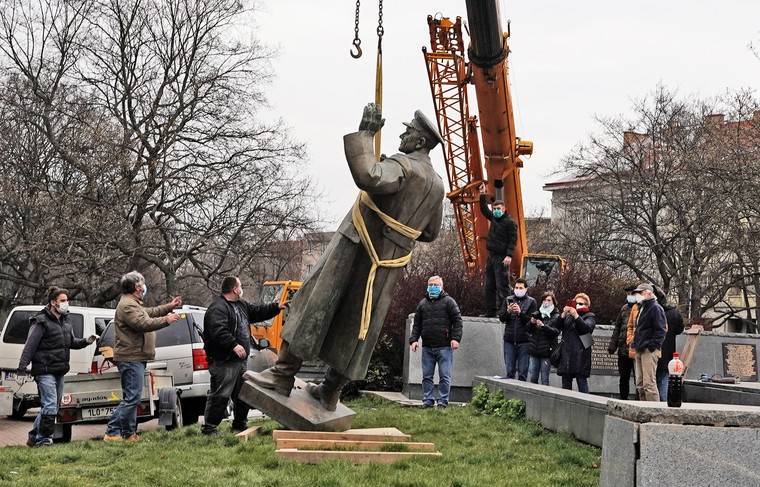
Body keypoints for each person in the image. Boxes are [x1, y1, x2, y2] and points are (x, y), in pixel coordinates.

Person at [247, 103, 446, 413]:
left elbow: (368, 176)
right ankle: (329, 391)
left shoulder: (404, 165)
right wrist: (396, 226)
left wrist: (366, 134)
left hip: (356, 247)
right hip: (388, 265)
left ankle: (282, 374)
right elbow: (431, 232)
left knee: (311, 302)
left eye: (408, 132)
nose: (403, 135)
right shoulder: (436, 185)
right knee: (360, 324)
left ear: (420, 142)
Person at [201, 276, 286, 435]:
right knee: (221, 395)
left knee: (243, 394)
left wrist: (276, 307)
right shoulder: (217, 308)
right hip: (224, 361)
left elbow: (257, 311)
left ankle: (239, 424)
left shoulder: (241, 305)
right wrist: (233, 344)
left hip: (240, 361)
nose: (242, 288)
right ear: (234, 289)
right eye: (240, 285)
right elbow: (218, 331)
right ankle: (209, 428)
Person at [104, 271, 181, 441]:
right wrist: (166, 320)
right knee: (132, 398)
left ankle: (128, 434)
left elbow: (149, 312)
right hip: (131, 358)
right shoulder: (127, 305)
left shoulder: (133, 304)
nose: (143, 287)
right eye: (140, 284)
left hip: (135, 357)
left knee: (131, 397)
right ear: (135, 288)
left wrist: (168, 307)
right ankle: (112, 431)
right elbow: (143, 323)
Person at [17, 287, 96, 447]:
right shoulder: (40, 321)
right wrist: (22, 367)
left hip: (60, 370)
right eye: (63, 300)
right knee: (50, 405)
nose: (66, 303)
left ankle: (33, 436)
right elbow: (30, 346)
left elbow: (71, 342)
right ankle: (44, 440)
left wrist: (86, 341)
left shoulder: (66, 320)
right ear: (53, 302)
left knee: (53, 406)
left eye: (67, 300)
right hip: (44, 370)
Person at [409, 276, 463, 408]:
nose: (433, 287)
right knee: (427, 376)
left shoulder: (449, 302)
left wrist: (455, 339)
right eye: (430, 284)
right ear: (427, 286)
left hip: (444, 346)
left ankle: (442, 402)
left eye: (436, 285)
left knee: (445, 376)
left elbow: (457, 321)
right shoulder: (422, 304)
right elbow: (417, 325)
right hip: (427, 347)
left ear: (442, 287)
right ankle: (428, 400)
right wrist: (414, 340)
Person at [478, 183, 518, 317]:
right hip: (492, 256)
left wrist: (509, 255)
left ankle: (504, 312)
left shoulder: (510, 222)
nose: (495, 211)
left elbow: (513, 240)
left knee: (503, 286)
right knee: (489, 286)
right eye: (494, 208)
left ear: (504, 209)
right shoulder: (494, 218)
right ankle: (491, 311)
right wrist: (483, 195)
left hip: (502, 257)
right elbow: (484, 210)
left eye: (498, 208)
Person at [630, 283, 667, 401]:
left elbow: (661, 330)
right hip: (640, 348)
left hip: (648, 349)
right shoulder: (642, 307)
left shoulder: (655, 308)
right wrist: (635, 343)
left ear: (648, 292)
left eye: (640, 293)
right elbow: (639, 329)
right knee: (640, 384)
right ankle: (643, 408)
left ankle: (654, 411)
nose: (637, 295)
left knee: (649, 383)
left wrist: (652, 346)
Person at [556, 293, 596, 393]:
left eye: (580, 303)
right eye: (575, 303)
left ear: (587, 305)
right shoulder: (568, 317)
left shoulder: (590, 316)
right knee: (566, 384)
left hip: (581, 355)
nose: (577, 305)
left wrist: (576, 316)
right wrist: (563, 314)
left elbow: (586, 329)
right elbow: (557, 327)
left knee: (581, 382)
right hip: (567, 354)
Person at [498, 278, 537, 381]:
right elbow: (502, 318)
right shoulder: (508, 299)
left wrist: (520, 313)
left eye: (521, 288)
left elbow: (531, 321)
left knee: (523, 372)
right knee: (510, 370)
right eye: (516, 287)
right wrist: (508, 311)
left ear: (526, 289)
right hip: (509, 339)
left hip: (524, 340)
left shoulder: (531, 302)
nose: (518, 289)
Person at [607, 285, 638, 399]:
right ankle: (623, 399)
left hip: (635, 350)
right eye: (628, 294)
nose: (630, 296)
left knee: (638, 379)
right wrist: (613, 345)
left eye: (632, 294)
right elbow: (617, 327)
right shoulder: (624, 308)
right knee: (623, 377)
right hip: (623, 350)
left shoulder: (640, 308)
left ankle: (638, 400)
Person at [654, 286, 684, 402]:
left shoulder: (653, 311)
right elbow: (679, 329)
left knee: (654, 381)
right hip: (668, 353)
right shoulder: (674, 313)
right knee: (664, 379)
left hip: (654, 349)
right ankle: (666, 402)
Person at [527, 292, 560, 385]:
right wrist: (531, 322)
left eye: (549, 300)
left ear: (553, 302)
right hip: (535, 350)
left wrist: (543, 326)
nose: (546, 302)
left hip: (546, 352)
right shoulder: (537, 313)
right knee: (533, 377)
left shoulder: (556, 316)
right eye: (544, 300)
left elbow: (556, 332)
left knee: (544, 378)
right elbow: (528, 330)